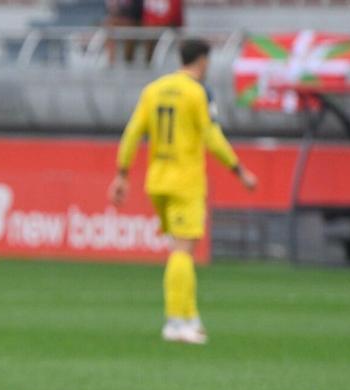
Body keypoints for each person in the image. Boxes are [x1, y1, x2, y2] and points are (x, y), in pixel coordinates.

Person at [109, 38, 257, 345]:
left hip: (158, 181)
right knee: (182, 250)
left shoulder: (154, 89)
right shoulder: (198, 92)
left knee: (178, 248)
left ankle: (189, 317)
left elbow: (133, 131)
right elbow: (212, 136)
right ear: (202, 60)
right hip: (185, 182)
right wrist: (238, 169)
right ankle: (176, 322)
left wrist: (122, 174)